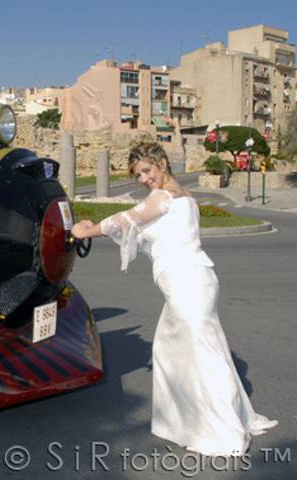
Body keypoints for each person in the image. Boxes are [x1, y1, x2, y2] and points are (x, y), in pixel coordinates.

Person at [71, 141, 277, 456]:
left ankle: (222, 432)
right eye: (137, 174)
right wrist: (100, 229)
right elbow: (145, 234)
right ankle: (190, 422)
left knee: (200, 355)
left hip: (187, 284)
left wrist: (86, 231)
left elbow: (128, 218)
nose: (142, 179)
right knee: (178, 351)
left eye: (146, 171)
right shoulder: (186, 198)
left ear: (163, 164)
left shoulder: (162, 198)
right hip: (196, 281)